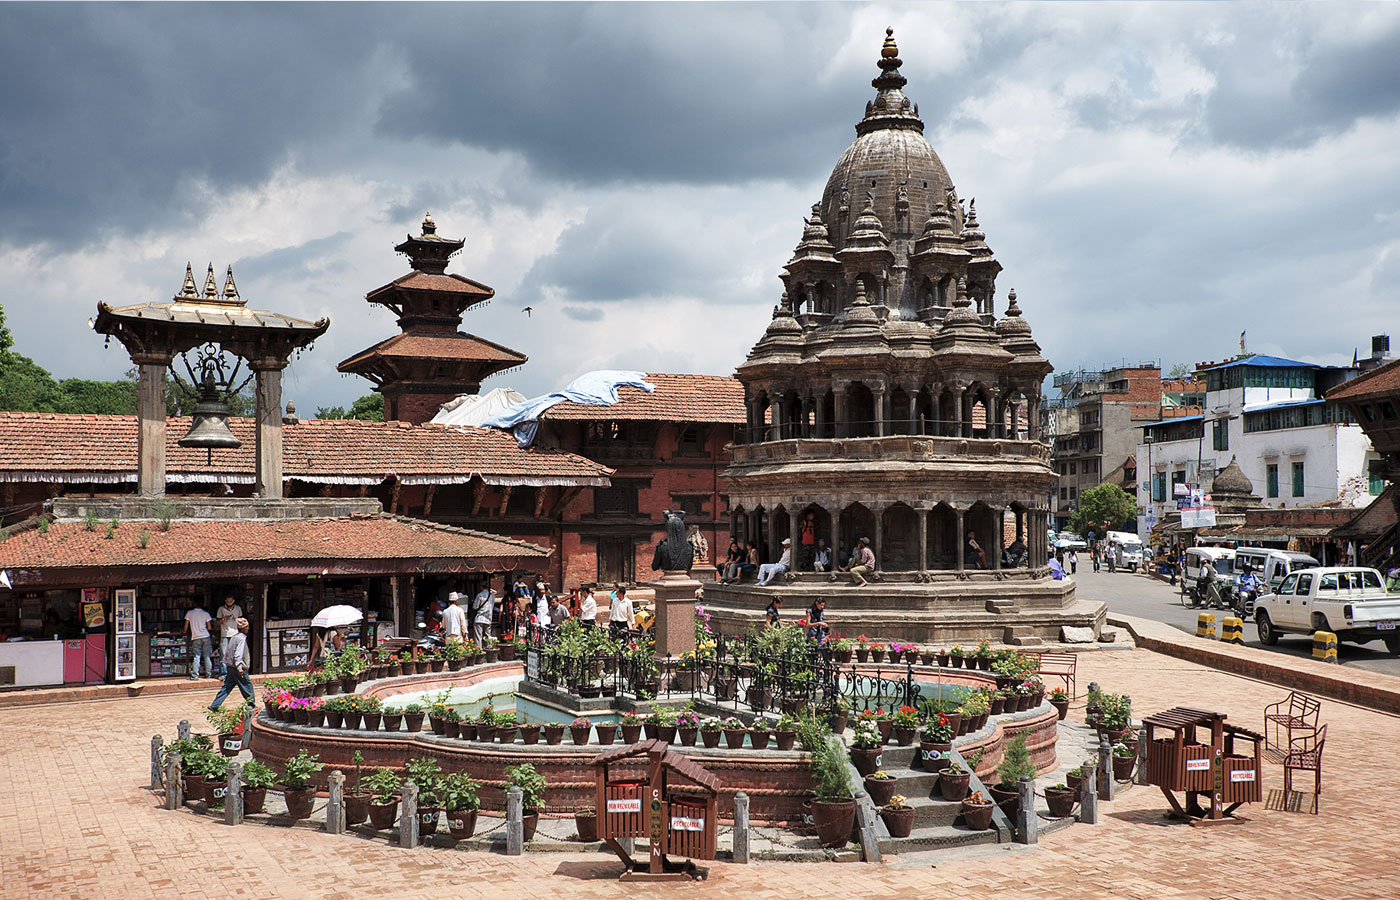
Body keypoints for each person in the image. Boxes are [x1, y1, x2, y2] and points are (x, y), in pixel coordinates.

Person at [208, 617, 254, 711]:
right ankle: (251, 704)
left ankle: (215, 705)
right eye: (247, 627)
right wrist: (239, 667)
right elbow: (238, 653)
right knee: (247, 685)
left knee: (227, 687)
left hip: (230, 666)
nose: (248, 629)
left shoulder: (234, 637)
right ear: (244, 628)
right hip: (238, 667)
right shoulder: (241, 638)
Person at [213, 594, 242, 678]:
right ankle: (224, 673)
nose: (229, 603)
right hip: (225, 634)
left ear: (233, 601)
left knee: (235, 654)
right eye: (228, 601)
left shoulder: (238, 608)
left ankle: (234, 672)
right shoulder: (221, 609)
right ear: (225, 601)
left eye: (231, 601)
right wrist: (224, 618)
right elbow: (217, 622)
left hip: (235, 633)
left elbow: (240, 619)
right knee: (223, 654)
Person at [183, 600, 214, 681]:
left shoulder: (190, 613)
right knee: (207, 656)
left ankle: (195, 676)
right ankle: (208, 674)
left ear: (194, 603)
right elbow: (209, 627)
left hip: (195, 636)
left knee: (197, 656)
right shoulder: (206, 614)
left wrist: (184, 632)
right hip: (205, 636)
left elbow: (186, 626)